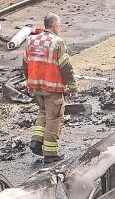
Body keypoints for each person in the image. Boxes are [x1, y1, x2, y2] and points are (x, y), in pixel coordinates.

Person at [24, 13, 77, 163]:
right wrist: (73, 86)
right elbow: (66, 67)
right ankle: (51, 154)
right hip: (52, 88)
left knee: (43, 112)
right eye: (58, 26)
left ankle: (36, 141)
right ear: (55, 26)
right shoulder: (57, 43)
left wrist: (29, 82)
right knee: (54, 118)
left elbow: (25, 64)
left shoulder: (31, 41)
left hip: (36, 87)